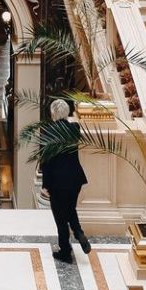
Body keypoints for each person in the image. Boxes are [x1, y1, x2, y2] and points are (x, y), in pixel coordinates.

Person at [38, 98, 91, 263]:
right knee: (70, 208)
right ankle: (79, 232)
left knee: (60, 217)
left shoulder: (48, 132)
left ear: (53, 112)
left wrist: (45, 184)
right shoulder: (75, 128)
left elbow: (46, 161)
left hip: (57, 181)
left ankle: (65, 251)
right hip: (75, 178)